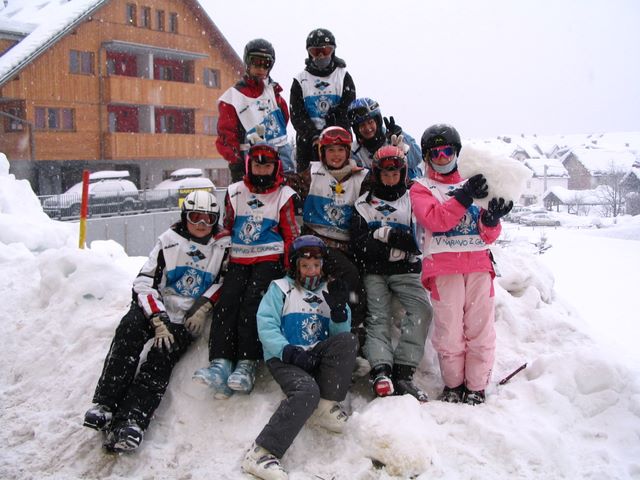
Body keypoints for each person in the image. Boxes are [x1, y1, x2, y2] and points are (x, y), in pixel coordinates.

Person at [83, 191, 230, 452]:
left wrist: (203, 306)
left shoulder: (222, 246)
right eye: (195, 217)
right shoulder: (169, 241)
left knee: (162, 357)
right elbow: (144, 281)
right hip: (157, 306)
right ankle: (106, 403)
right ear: (185, 217)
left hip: (187, 315)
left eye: (208, 219)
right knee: (129, 332)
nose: (201, 224)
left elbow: (225, 281)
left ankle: (133, 420)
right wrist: (157, 317)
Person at [409, 124, 513, 405]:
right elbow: (435, 220)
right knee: (450, 330)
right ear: (427, 156)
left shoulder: (475, 182)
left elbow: (488, 235)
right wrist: (464, 196)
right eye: (435, 153)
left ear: (457, 152)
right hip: (444, 269)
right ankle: (454, 384)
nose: (442, 157)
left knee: (480, 330)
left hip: (478, 265)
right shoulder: (422, 188)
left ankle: (477, 386)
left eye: (447, 151)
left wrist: (491, 218)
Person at [241, 235, 358, 480]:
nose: (311, 270)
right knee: (306, 391)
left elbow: (340, 339)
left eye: (316, 265)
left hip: (315, 355)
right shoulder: (280, 289)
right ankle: (261, 453)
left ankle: (325, 405)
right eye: (305, 266)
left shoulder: (330, 291)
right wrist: (288, 351)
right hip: (285, 357)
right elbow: (266, 325)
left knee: (349, 341)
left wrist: (339, 312)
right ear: (295, 266)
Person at [193, 142, 299, 398]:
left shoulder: (283, 195)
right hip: (240, 257)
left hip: (269, 258)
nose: (262, 171)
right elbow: (229, 224)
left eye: (267, 166)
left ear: (276, 167)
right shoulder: (235, 191)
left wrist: (290, 266)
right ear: (249, 165)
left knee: (253, 303)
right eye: (257, 166)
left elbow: (290, 232)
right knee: (228, 301)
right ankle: (220, 362)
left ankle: (246, 362)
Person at [351, 145, 433, 402]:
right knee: (378, 317)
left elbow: (418, 241)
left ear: (403, 173)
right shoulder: (364, 204)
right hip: (375, 272)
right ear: (376, 174)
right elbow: (360, 244)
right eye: (385, 174)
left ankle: (404, 371)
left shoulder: (413, 199)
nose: (390, 179)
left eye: (395, 174)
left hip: (407, 271)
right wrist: (392, 249)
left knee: (422, 310)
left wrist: (388, 235)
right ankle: (381, 370)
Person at [286, 125, 369, 350]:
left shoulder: (360, 177)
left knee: (362, 274)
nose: (336, 155)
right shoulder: (312, 174)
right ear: (322, 153)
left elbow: (387, 184)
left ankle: (356, 325)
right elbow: (286, 182)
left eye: (341, 150)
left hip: (347, 243)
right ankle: (353, 326)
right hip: (317, 240)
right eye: (331, 150)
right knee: (349, 273)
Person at [216, 38, 293, 182]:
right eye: (256, 62)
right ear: (247, 63)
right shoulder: (233, 98)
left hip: (282, 160)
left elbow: (284, 119)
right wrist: (236, 163)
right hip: (252, 163)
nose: (261, 69)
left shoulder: (273, 92)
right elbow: (226, 136)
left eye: (266, 64)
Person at [290, 28, 356, 173]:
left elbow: (348, 109)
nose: (321, 56)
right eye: (316, 52)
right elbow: (297, 115)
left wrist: (333, 129)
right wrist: (313, 135)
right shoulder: (300, 80)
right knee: (309, 182)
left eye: (325, 51)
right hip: (308, 145)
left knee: (341, 181)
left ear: (333, 51)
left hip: (338, 143)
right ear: (309, 53)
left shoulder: (343, 76)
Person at [347, 97, 423, 180]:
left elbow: (417, 159)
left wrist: (403, 143)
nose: (367, 128)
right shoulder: (354, 151)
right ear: (356, 129)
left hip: (408, 184)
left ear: (377, 121)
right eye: (362, 125)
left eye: (370, 122)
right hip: (376, 186)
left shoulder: (394, 137)